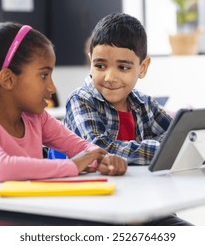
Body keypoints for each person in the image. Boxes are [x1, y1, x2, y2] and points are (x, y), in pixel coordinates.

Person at [0, 21, 127, 226]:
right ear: (8, 79)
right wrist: (71, 165)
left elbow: (81, 147)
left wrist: (104, 159)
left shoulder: (36, 117)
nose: (52, 87)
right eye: (44, 75)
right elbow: (1, 167)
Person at [63, 12, 192, 226]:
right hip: (97, 213)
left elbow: (180, 138)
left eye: (123, 67)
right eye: (100, 65)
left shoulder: (144, 103)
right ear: (90, 61)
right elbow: (99, 148)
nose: (110, 77)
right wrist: (162, 150)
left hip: (147, 208)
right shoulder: (81, 100)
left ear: (143, 68)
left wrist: (172, 146)